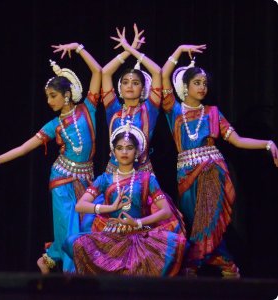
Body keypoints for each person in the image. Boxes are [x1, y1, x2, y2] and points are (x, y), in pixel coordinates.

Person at [0, 42, 102, 274]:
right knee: (70, 234)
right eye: (47, 97)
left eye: (53, 96)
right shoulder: (53, 125)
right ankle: (71, 285)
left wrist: (79, 48)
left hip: (87, 181)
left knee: (86, 230)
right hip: (62, 182)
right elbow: (24, 148)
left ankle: (48, 261)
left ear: (67, 96)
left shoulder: (89, 108)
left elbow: (98, 71)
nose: (49, 101)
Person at [161, 45, 278, 278]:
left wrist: (267, 143)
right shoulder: (173, 110)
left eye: (204, 83)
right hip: (185, 176)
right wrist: (179, 50)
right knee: (198, 223)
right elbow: (164, 74)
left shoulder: (213, 113)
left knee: (207, 219)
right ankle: (225, 262)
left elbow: (237, 140)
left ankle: (192, 263)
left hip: (213, 172)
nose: (202, 87)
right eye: (197, 83)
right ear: (185, 86)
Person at [63, 122, 186, 276]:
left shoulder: (147, 179)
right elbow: (80, 206)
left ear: (137, 152)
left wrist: (138, 222)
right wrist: (110, 208)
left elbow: (166, 212)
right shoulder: (104, 179)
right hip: (111, 235)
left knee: (177, 243)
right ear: (113, 152)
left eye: (129, 148)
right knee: (74, 242)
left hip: (139, 233)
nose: (124, 152)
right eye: (120, 148)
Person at [102, 24, 162, 173]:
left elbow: (157, 72)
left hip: (142, 173)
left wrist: (132, 50)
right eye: (125, 82)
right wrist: (126, 51)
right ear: (120, 88)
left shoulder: (149, 109)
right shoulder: (113, 108)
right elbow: (105, 73)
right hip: (114, 172)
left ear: (143, 89)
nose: (130, 86)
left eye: (135, 83)